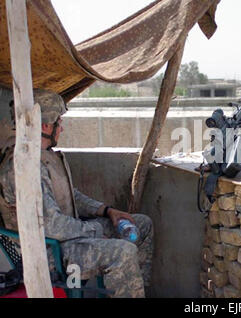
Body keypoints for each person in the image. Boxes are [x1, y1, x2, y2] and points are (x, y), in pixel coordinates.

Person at [0, 89, 153, 298]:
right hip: (49, 253)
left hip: (68, 238)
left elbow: (72, 195)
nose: (61, 128)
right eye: (59, 122)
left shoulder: (45, 156)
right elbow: (53, 226)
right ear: (46, 125)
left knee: (141, 224)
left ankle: (135, 291)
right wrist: (97, 230)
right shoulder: (24, 166)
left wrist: (107, 211)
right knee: (122, 252)